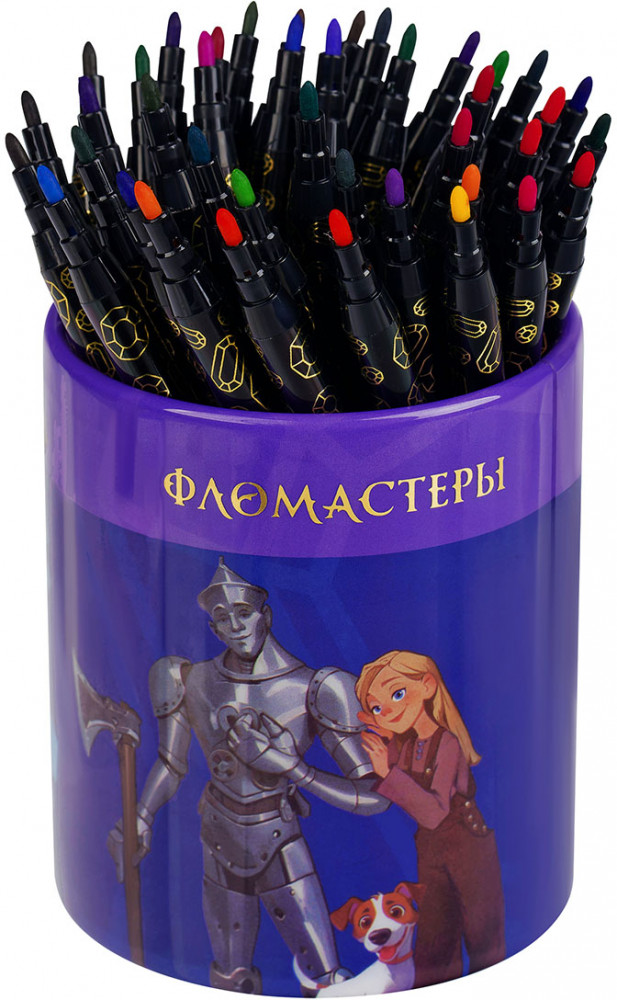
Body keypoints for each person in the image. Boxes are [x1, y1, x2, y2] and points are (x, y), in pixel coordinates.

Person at [108, 557, 388, 993]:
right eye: (222, 618)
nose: (234, 625)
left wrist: (293, 768)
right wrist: (141, 817)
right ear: (213, 628)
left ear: (265, 615)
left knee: (326, 979)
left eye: (243, 613)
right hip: (217, 837)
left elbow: (376, 795)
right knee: (228, 976)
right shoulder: (189, 679)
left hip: (280, 840)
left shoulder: (315, 688)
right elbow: (171, 763)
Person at [356, 649, 505, 988]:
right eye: (377, 707)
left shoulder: (447, 743)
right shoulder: (406, 744)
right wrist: (386, 744)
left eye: (397, 694)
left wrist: (388, 772)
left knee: (482, 933)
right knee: (435, 935)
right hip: (431, 847)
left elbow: (435, 811)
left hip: (467, 844)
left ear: (427, 685)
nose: (387, 711)